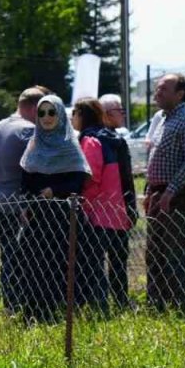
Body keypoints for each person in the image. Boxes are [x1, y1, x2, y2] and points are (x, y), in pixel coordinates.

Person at [20, 94, 91, 323]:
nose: (47, 117)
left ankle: (65, 311)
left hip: (64, 218)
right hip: (38, 218)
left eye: (52, 112)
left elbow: (78, 181)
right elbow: (26, 181)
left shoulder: (70, 145)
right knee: (35, 265)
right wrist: (27, 203)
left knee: (63, 264)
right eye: (42, 113)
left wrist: (54, 190)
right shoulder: (34, 144)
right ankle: (36, 311)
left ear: (60, 114)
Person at [143, 73, 185, 313]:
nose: (157, 93)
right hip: (159, 196)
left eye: (163, 90)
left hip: (179, 197)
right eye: (157, 89)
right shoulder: (162, 120)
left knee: (176, 253)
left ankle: (181, 307)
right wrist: (150, 191)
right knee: (155, 252)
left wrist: (170, 191)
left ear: (180, 94)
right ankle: (156, 305)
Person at [0, 87, 45, 314]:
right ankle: (21, 302)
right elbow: (30, 170)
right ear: (33, 108)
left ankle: (9, 302)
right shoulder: (28, 131)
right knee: (24, 257)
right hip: (19, 205)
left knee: (8, 256)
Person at [72, 97, 131, 312]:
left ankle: (100, 307)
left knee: (93, 263)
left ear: (82, 115)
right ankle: (122, 303)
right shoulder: (115, 139)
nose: (72, 119)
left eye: (75, 114)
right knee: (118, 263)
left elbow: (90, 177)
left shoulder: (90, 141)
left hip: (97, 212)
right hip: (118, 211)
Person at [98, 93, 138, 307]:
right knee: (116, 257)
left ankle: (112, 299)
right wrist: (130, 204)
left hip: (105, 208)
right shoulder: (115, 142)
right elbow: (126, 177)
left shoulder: (93, 138)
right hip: (116, 207)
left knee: (114, 258)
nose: (122, 113)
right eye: (118, 110)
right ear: (104, 114)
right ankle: (120, 299)